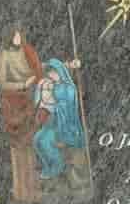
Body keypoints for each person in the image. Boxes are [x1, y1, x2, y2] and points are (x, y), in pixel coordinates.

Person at [0, 26, 43, 202]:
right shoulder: (4, 55)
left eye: (19, 35)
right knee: (17, 149)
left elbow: (37, 69)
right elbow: (2, 81)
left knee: (30, 147)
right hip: (12, 106)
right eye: (15, 36)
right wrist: (23, 84)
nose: (18, 38)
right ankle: (20, 190)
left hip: (26, 104)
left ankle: (33, 189)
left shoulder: (26, 51)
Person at [33, 58, 90, 194]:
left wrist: (55, 108)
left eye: (53, 73)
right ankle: (48, 166)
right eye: (50, 73)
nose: (51, 76)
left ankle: (57, 166)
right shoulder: (53, 84)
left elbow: (68, 106)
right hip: (54, 119)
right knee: (37, 139)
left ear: (59, 72)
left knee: (45, 140)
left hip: (66, 122)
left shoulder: (69, 87)